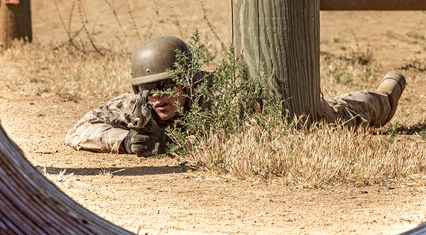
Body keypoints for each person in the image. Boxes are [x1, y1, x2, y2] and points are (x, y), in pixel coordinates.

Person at [65, 34, 407, 156]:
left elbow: (271, 129)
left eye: (169, 86)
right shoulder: (133, 108)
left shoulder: (223, 97)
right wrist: (123, 141)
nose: (159, 97)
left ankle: (387, 93)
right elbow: (79, 129)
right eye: (149, 90)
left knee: (336, 115)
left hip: (303, 113)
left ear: (189, 81)